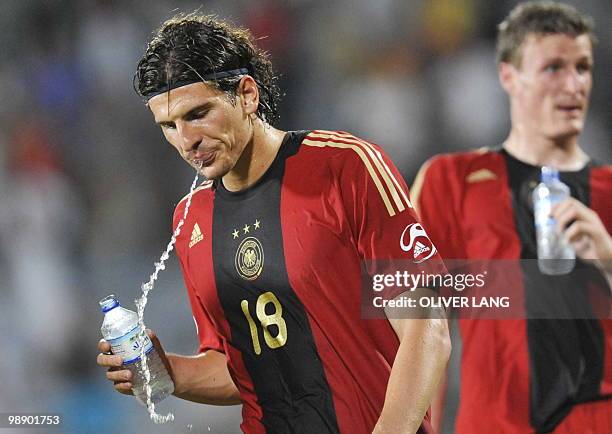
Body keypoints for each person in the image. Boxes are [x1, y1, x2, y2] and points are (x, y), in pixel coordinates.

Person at [96, 13, 451, 434]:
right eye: (169, 126)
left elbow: (426, 328)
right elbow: (241, 367)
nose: (186, 140)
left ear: (246, 94)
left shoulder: (345, 166)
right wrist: (167, 371)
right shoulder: (191, 219)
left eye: (198, 113)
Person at [412, 2, 612, 433]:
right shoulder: (450, 180)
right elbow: (417, 324)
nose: (573, 84)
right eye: (553, 68)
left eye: (583, 67)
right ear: (508, 75)